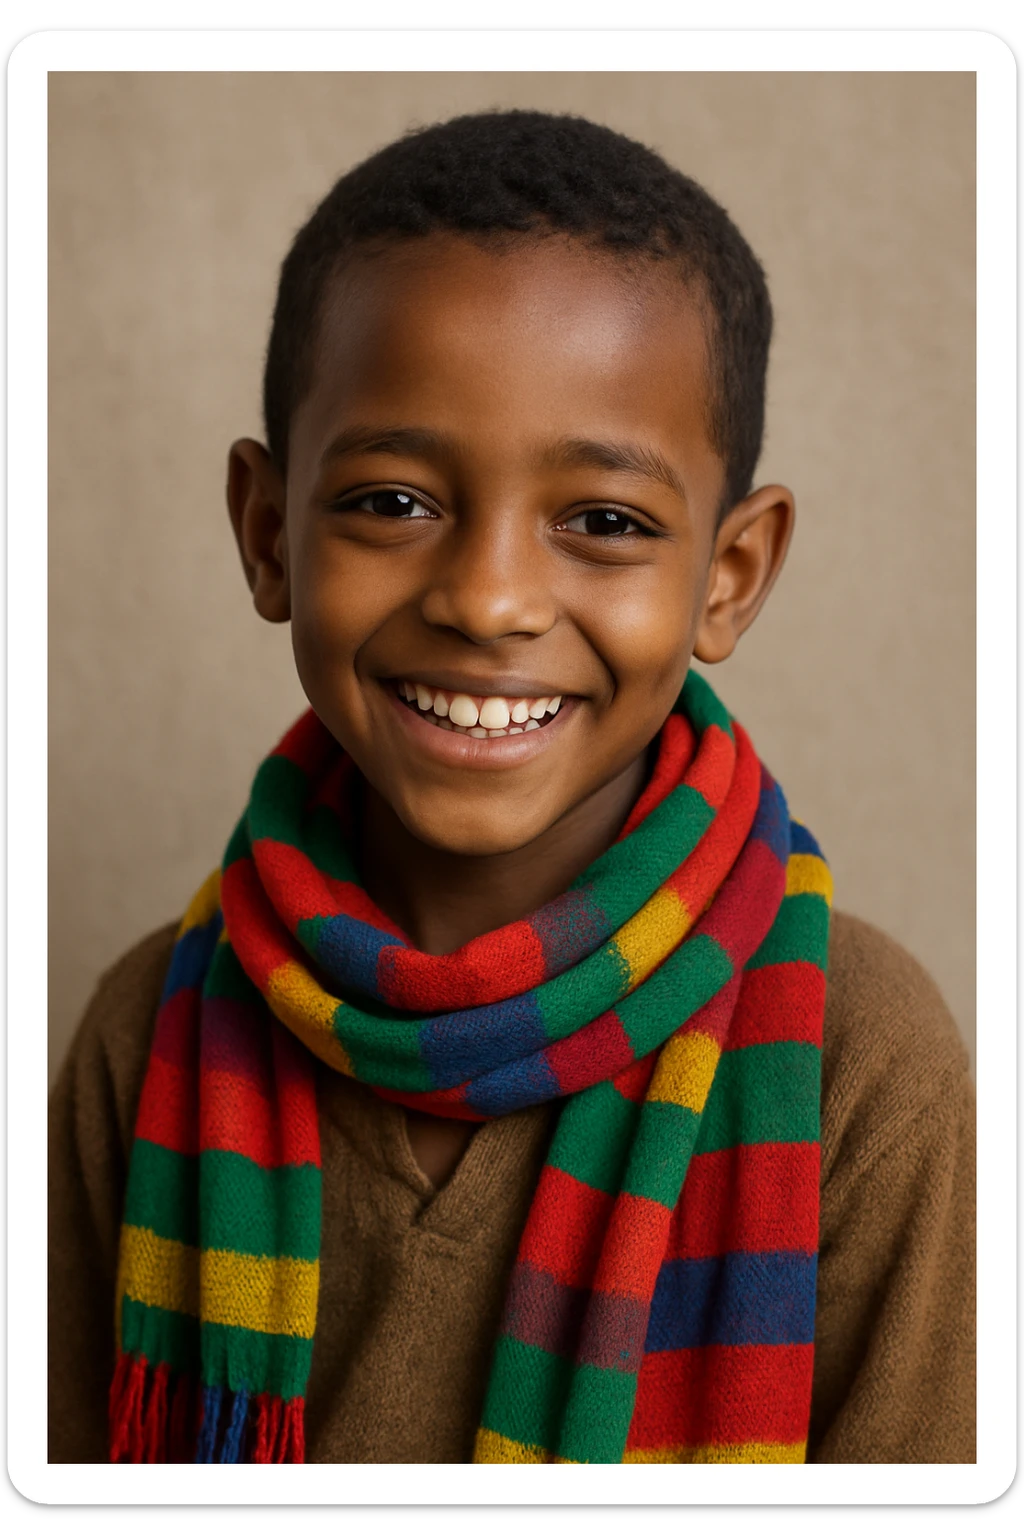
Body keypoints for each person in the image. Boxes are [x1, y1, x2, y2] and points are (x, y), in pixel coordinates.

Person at [48, 110, 975, 1465]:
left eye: (602, 523)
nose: (487, 600)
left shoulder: (862, 1068)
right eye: (390, 502)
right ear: (268, 535)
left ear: (729, 576)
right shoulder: (152, 1035)